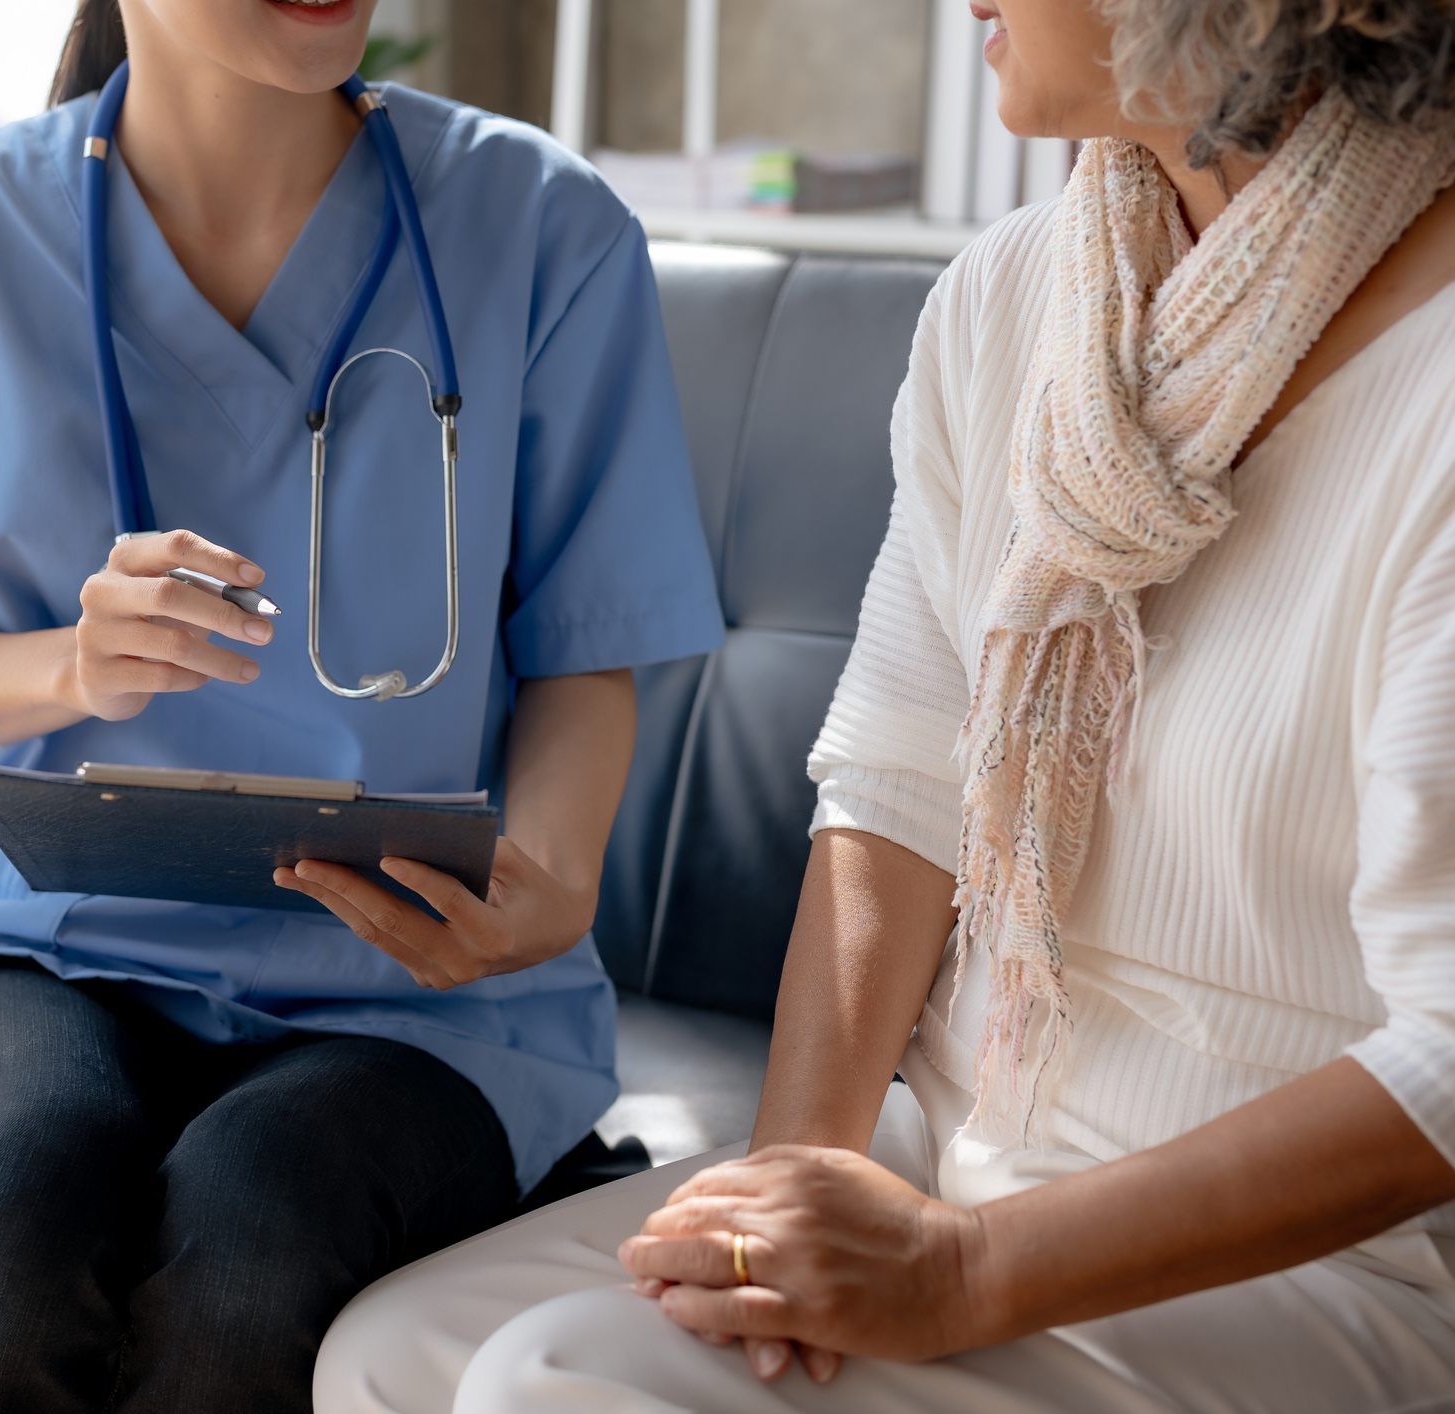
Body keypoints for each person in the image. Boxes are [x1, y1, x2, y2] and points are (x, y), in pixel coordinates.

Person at [311, 0, 1455, 1407]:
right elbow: (894, 789)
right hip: (962, 1133)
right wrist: (797, 1191)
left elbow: (1446, 1060)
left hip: (1321, 1263)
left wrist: (955, 1274)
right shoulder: (1017, 292)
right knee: (387, 1357)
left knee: (563, 1380)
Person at [0, 0, 723, 1409]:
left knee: (255, 1235)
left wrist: (554, 887)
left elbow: (584, 650)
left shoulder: (539, 223)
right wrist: (68, 666)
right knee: (16, 1220)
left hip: (412, 983)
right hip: (34, 934)